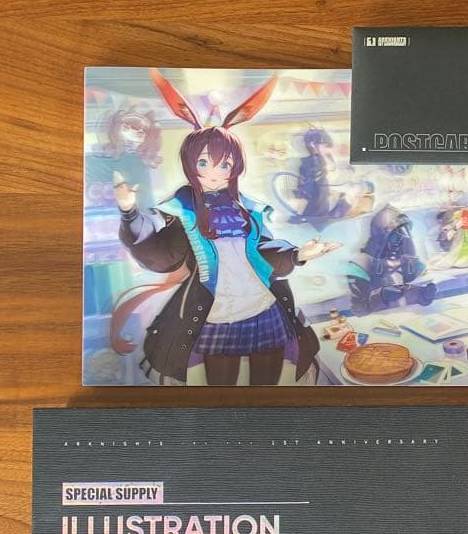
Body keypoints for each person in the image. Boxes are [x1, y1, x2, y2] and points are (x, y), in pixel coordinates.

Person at [110, 69, 341, 386]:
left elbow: (262, 254)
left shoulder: (247, 209)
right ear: (191, 164)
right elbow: (160, 252)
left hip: (262, 304)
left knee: (270, 377)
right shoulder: (184, 208)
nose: (215, 173)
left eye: (225, 164)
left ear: (235, 166)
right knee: (219, 383)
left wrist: (298, 254)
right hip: (214, 311)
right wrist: (129, 213)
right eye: (204, 163)